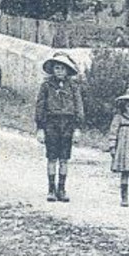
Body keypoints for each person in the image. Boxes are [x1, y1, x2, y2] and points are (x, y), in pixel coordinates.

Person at [34, 52, 85, 203]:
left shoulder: (73, 87)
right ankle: (51, 189)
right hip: (51, 124)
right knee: (51, 158)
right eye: (57, 68)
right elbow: (40, 106)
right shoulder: (46, 86)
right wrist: (40, 128)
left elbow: (78, 107)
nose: (60, 71)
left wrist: (77, 128)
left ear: (68, 71)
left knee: (64, 158)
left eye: (63, 68)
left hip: (68, 124)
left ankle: (62, 189)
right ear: (52, 70)